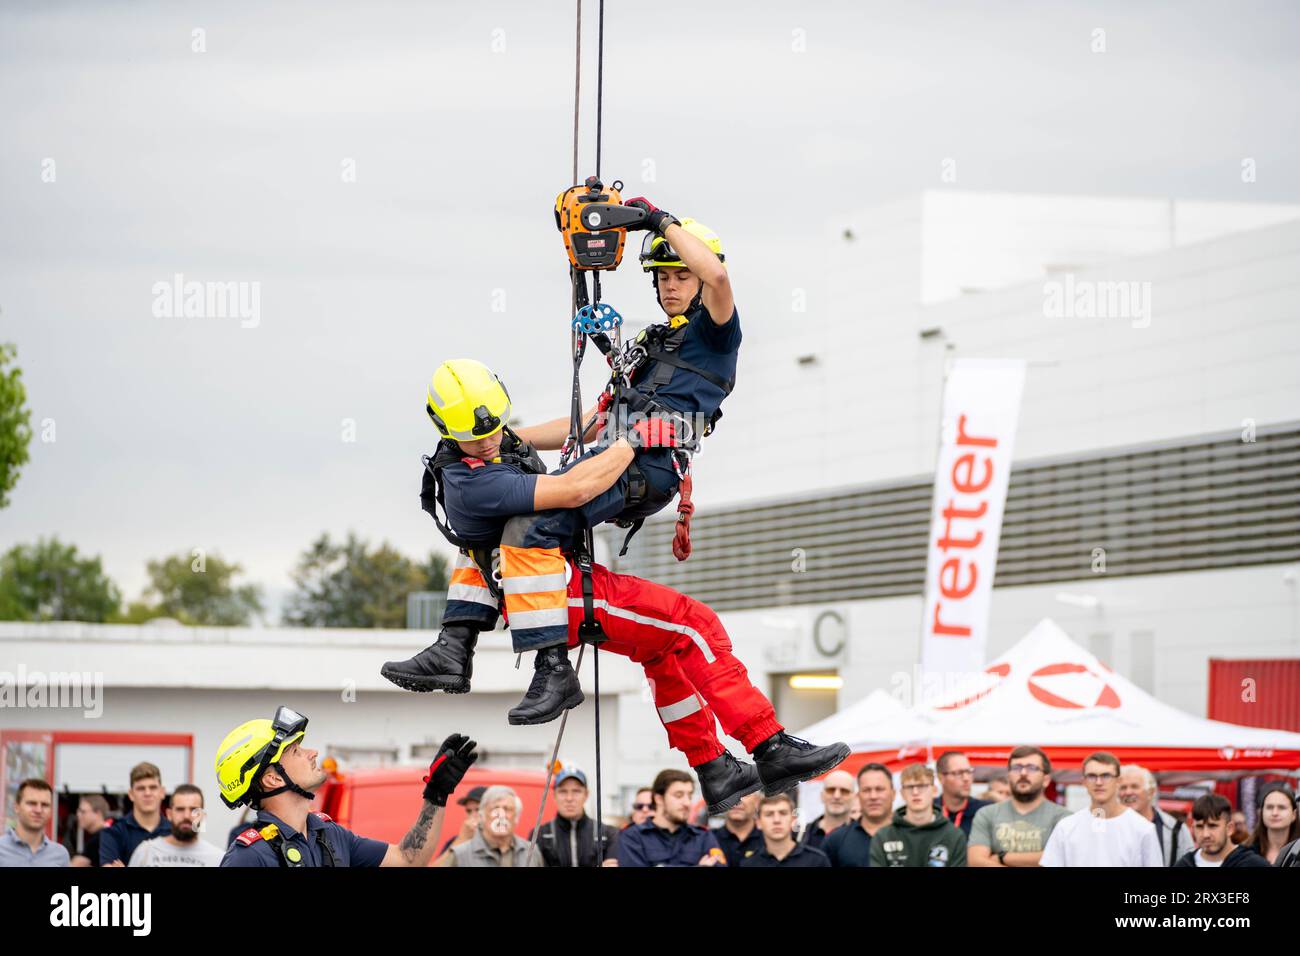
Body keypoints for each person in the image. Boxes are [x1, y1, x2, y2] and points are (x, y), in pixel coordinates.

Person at [382, 358, 849, 814]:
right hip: (553, 590)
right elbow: (573, 491)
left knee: (662, 650)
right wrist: (632, 442)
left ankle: (713, 768)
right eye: (475, 437)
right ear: (445, 430)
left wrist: (610, 413)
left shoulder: (477, 448)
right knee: (694, 625)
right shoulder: (474, 484)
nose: (488, 442)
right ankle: (769, 746)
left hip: (542, 588)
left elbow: (562, 429)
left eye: (493, 429)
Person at [217, 705, 476, 867]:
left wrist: (436, 794)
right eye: (296, 750)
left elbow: (409, 859)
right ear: (272, 778)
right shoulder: (249, 857)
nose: (312, 752)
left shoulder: (328, 834)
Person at [1039, 752, 1162, 867]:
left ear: (1118, 781)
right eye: (1092, 776)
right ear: (1084, 782)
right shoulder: (1066, 827)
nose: (1099, 782)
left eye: (1106, 776)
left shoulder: (1143, 828)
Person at [968, 746, 1069, 867]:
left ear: (1046, 780)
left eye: (1032, 768)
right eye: (1016, 768)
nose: (1023, 773)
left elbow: (1062, 857)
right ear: (1008, 775)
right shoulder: (987, 814)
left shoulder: (1065, 818)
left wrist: (1002, 857)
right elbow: (976, 862)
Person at [618, 769, 726, 867]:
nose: (687, 803)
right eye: (678, 795)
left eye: (690, 796)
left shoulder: (703, 837)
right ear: (659, 799)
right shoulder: (632, 837)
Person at [870, 764, 966, 867]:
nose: (915, 792)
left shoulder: (954, 836)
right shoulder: (883, 836)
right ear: (902, 793)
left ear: (934, 791)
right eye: (910, 787)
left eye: (922, 786)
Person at [438, 786, 545, 867]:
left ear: (516, 816)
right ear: (483, 815)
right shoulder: (459, 853)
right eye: (495, 809)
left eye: (507, 809)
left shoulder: (531, 851)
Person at [537, 766, 619, 867]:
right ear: (554, 795)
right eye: (563, 791)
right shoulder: (539, 835)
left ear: (586, 794)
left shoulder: (608, 835)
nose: (569, 798)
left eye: (576, 791)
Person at [128, 784, 223, 867]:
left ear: (202, 816)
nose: (186, 816)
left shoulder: (218, 858)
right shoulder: (146, 852)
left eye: (194, 809)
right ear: (169, 814)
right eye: (180, 809)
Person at [1119, 764, 1193, 867]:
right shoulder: (1110, 827)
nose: (1128, 792)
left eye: (1134, 786)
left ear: (1151, 792)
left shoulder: (1176, 829)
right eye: (1123, 787)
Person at [823, 762, 895, 867]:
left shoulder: (912, 836)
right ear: (857, 796)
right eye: (866, 790)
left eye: (879, 789)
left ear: (893, 794)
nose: (873, 796)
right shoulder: (835, 841)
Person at [99, 761, 171, 867]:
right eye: (141, 788)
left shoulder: (174, 832)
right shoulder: (113, 833)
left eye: (153, 787)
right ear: (131, 794)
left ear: (162, 792)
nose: (147, 793)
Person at [1174, 794, 1270, 868]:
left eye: (1213, 826)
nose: (1205, 834)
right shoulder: (1184, 864)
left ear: (1229, 828)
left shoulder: (1253, 864)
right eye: (1199, 826)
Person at [741, 793, 831, 868]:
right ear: (758, 822)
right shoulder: (748, 864)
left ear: (793, 820)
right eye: (769, 814)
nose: (777, 820)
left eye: (783, 813)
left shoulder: (817, 861)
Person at [0, 779, 70, 867]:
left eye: (45, 805)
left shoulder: (60, 855)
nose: (38, 810)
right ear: (16, 807)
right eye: (32, 803)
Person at [934, 751, 989, 838]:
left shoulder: (985, 811)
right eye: (958, 773)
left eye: (968, 771)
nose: (966, 778)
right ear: (941, 778)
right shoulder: (930, 811)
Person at [1245, 782, 1300, 865]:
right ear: (1261, 812)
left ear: (1294, 814)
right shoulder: (1245, 852)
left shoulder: (1297, 850)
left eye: (1282, 807)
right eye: (1269, 807)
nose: (1275, 813)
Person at [800, 769, 855, 850]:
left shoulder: (865, 836)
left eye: (844, 791)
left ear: (853, 797)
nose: (837, 796)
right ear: (822, 796)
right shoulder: (800, 836)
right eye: (831, 790)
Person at [713, 791, 764, 867]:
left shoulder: (770, 841)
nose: (737, 801)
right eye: (730, 793)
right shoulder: (707, 840)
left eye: (745, 794)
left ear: (757, 801)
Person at [436, 784, 486, 860]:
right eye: (469, 811)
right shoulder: (455, 841)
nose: (472, 815)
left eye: (478, 810)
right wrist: (461, 839)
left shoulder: (501, 842)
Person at [70, 794, 109, 867]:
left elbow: (74, 865)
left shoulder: (98, 839)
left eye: (83, 812)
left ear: (98, 813)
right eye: (78, 811)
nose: (78, 815)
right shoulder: (108, 835)